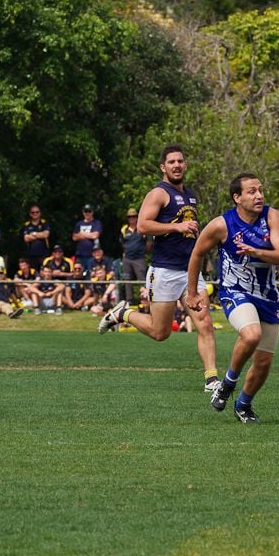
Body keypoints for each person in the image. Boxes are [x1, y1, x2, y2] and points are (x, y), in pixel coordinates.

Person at [98, 145, 223, 394]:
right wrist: (177, 228)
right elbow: (143, 226)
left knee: (205, 323)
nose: (176, 165)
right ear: (163, 167)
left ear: (185, 165)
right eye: (171, 162)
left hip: (190, 271)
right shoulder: (158, 193)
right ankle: (123, 314)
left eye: (180, 161)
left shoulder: (191, 195)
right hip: (164, 271)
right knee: (160, 332)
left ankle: (211, 379)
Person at [185, 173, 279, 423]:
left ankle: (243, 405)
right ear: (237, 197)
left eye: (261, 190)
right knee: (251, 334)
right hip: (235, 292)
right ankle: (227, 383)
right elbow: (197, 253)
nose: (259, 196)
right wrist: (191, 292)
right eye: (252, 192)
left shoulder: (271, 216)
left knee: (264, 362)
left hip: (267, 296)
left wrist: (257, 251)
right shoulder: (221, 224)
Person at [120, 207, 149, 305]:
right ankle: (129, 301)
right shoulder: (124, 229)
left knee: (142, 280)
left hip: (139, 258)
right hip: (127, 258)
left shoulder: (141, 227)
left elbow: (149, 242)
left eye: (134, 216)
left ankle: (145, 301)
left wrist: (144, 251)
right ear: (127, 218)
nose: (132, 218)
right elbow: (122, 243)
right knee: (127, 280)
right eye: (130, 217)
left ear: (137, 217)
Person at [72, 204, 103, 272]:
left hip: (92, 255)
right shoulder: (78, 224)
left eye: (89, 211)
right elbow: (74, 237)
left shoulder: (96, 223)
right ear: (83, 212)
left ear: (92, 212)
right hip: (80, 254)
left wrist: (81, 234)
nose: (87, 213)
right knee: (79, 273)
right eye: (85, 211)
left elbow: (95, 235)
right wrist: (89, 235)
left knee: (91, 273)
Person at [22, 204, 51, 270]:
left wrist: (33, 234)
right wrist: (40, 235)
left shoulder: (44, 223)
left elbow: (46, 235)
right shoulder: (27, 224)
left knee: (44, 271)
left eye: (37, 212)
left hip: (44, 253)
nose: (35, 214)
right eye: (33, 212)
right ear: (30, 214)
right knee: (33, 273)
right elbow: (26, 238)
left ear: (40, 213)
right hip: (31, 254)